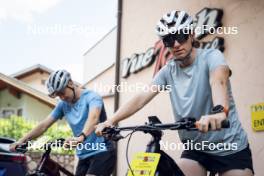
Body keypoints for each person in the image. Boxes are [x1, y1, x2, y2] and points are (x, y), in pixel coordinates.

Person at [95, 10, 254, 176]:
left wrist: (220, 112)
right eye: (169, 39)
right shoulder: (168, 71)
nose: (176, 44)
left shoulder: (212, 57)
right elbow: (141, 97)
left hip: (230, 147)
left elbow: (218, 81)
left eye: (181, 36)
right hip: (196, 148)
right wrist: (111, 120)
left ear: (191, 35)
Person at [10, 69, 116, 176]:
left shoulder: (92, 97)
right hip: (84, 155)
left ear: (70, 83)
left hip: (103, 151)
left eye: (62, 92)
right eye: (57, 95)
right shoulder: (63, 104)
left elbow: (93, 118)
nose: (62, 97)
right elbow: (44, 125)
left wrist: (81, 137)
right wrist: (21, 140)